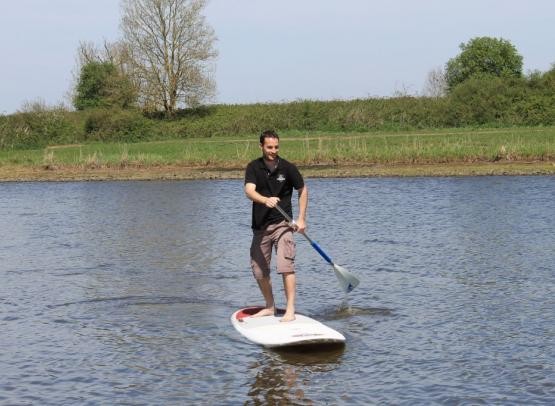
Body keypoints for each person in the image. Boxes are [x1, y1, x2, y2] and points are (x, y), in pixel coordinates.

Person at [244, 130, 308, 322]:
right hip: (261, 227)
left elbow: (303, 189)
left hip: (284, 225)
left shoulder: (288, 168)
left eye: (276, 147)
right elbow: (249, 191)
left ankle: (290, 310)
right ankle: (270, 306)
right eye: (269, 147)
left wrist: (301, 218)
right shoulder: (253, 167)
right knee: (259, 270)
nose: (273, 150)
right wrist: (265, 200)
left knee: (285, 265)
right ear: (261, 146)